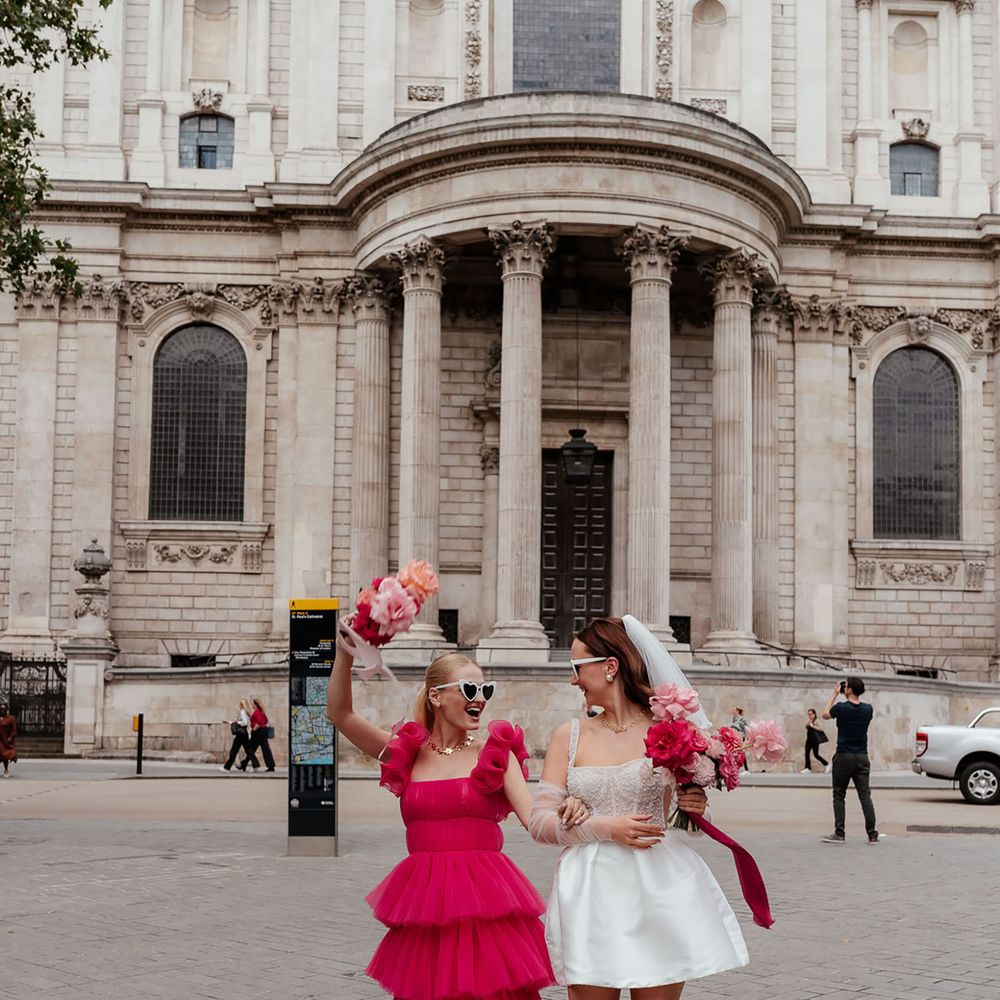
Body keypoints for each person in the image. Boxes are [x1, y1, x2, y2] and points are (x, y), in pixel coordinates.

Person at [328, 623, 587, 1000]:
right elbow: (340, 714)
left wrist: (571, 806)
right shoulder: (406, 751)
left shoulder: (496, 754)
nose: (479, 698)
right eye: (469, 689)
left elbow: (535, 818)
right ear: (435, 696)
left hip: (485, 905)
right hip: (426, 905)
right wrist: (345, 654)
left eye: (485, 690)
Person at [529, 615, 749, 999]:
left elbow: (689, 821)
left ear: (609, 667)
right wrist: (601, 827)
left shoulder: (670, 732)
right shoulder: (569, 735)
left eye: (577, 668)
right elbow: (539, 822)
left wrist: (695, 808)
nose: (572, 680)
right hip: (590, 889)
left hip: (659, 885)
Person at [821, 677, 879, 844]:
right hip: (862, 756)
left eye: (846, 685)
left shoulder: (841, 707)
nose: (844, 687)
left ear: (850, 689)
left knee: (839, 794)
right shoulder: (868, 709)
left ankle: (840, 833)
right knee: (865, 796)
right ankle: (872, 834)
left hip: (844, 756)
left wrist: (834, 694)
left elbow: (825, 714)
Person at [242, 697, 275, 772]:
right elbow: (266, 721)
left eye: (252, 704)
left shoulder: (257, 712)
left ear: (255, 704)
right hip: (263, 732)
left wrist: (254, 729)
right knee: (266, 750)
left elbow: (259, 722)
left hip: (257, 733)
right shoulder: (262, 711)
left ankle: (244, 764)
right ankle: (271, 766)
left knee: (250, 748)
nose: (251, 705)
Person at [221, 698, 253, 772]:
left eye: (240, 704)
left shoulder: (242, 712)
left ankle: (226, 768)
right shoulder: (247, 712)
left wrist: (237, 722)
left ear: (242, 705)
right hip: (244, 733)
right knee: (248, 751)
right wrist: (229, 722)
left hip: (240, 734)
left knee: (234, 751)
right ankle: (255, 765)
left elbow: (244, 723)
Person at [801, 708, 830, 774]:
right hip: (809, 740)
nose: (810, 716)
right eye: (808, 714)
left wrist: (813, 726)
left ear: (814, 714)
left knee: (816, 755)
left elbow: (821, 728)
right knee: (806, 754)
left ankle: (827, 764)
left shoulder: (817, 721)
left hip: (814, 741)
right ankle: (808, 768)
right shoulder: (810, 721)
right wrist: (809, 723)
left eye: (811, 714)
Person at [730, 705, 749, 771]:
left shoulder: (742, 719)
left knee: (741, 751)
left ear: (737, 711)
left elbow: (746, 728)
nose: (732, 711)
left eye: (733, 710)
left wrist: (746, 737)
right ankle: (735, 767)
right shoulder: (734, 718)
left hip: (741, 736)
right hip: (735, 736)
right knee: (735, 752)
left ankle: (746, 768)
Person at [0, 702, 16, 777]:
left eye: (3, 709)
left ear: (6, 709)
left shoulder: (11, 718)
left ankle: (6, 769)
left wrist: (10, 737)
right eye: (1, 709)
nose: (2, 710)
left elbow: (14, 730)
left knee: (5, 755)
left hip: (5, 740)